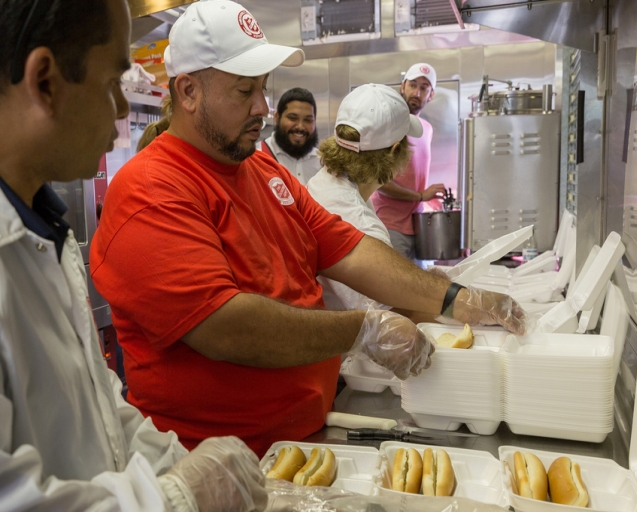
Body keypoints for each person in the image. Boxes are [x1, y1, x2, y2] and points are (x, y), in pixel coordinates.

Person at [90, 0, 528, 458]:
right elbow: (224, 327)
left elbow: (350, 249)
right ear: (188, 91)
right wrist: (361, 330)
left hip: (303, 444)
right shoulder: (151, 188)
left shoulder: (262, 168)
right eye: (245, 92)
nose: (263, 108)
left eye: (263, 88)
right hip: (217, 465)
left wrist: (456, 299)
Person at [0, 0, 267, 510]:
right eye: (111, 84)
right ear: (45, 81)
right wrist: (172, 496)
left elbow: (98, 409)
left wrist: (183, 460)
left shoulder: (42, 229)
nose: (124, 110)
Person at [308, 83, 417, 310]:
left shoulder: (327, 181)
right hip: (345, 341)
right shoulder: (363, 227)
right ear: (394, 150)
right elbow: (386, 319)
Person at [371, 63, 446, 260]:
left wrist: (428, 200)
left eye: (423, 88)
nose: (416, 92)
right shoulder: (389, 125)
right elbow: (380, 182)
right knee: (393, 288)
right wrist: (420, 196)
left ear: (431, 95)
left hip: (418, 226)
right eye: (412, 85)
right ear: (402, 86)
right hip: (389, 225)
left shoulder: (426, 129)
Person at [260, 87, 321, 185]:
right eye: (293, 118)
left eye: (308, 120)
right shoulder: (256, 156)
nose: (300, 127)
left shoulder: (323, 163)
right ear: (277, 118)